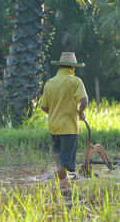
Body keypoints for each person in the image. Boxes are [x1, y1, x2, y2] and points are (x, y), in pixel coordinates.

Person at [41, 52, 88, 185]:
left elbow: (44, 107)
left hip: (54, 126)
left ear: (60, 66)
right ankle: (62, 178)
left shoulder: (49, 83)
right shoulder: (76, 81)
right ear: (73, 68)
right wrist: (80, 112)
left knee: (57, 150)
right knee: (66, 163)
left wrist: (55, 112)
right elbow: (84, 101)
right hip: (69, 127)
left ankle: (62, 180)